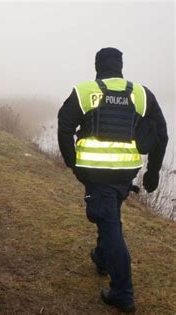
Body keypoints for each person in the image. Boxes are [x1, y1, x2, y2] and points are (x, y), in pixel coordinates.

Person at [57, 47, 168, 313]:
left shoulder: (85, 91)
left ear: (98, 66)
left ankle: (122, 293)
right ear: (120, 66)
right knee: (109, 215)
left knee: (109, 226)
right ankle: (102, 258)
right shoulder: (141, 94)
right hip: (125, 173)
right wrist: (153, 172)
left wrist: (72, 163)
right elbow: (161, 135)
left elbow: (63, 126)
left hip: (95, 173)